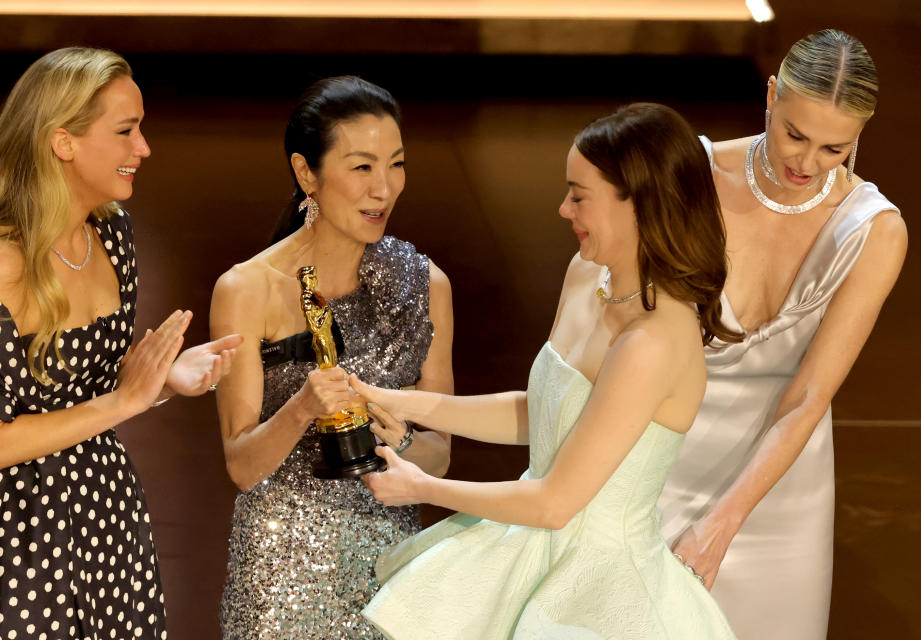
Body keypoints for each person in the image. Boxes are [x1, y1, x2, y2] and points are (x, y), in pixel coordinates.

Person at [351, 103, 741, 639]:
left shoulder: (653, 342)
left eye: (579, 196)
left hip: (597, 592)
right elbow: (546, 414)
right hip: (528, 540)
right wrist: (405, 402)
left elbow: (556, 503)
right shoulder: (588, 274)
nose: (563, 209)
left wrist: (423, 488)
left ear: (639, 204)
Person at [657, 29, 907, 640]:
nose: (806, 162)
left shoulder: (875, 231)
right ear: (770, 95)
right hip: (656, 460)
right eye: (795, 134)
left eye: (834, 148)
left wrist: (723, 522)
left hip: (779, 489)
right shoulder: (689, 176)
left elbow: (807, 397)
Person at [0, 47, 241, 639]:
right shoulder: (4, 261)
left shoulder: (112, 234)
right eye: (126, 131)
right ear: (64, 142)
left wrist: (162, 381)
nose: (145, 148)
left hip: (105, 514)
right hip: (16, 534)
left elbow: (96, 393)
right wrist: (123, 402)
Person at [210, 76, 453, 639]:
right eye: (362, 167)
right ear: (305, 173)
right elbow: (242, 467)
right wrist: (300, 409)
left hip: (390, 569)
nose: (384, 189)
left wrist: (404, 440)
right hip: (279, 571)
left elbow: (439, 458)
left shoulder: (426, 286)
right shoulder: (246, 289)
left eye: (395, 165)